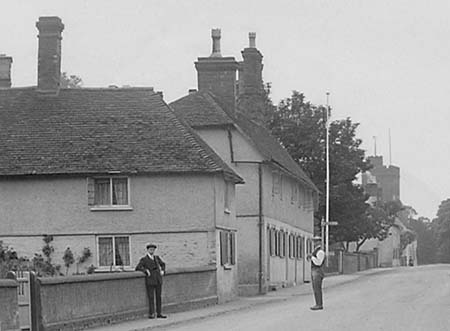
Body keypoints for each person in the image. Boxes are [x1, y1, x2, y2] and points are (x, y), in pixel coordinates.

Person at [136, 243, 167, 319]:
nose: (152, 251)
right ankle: (151, 313)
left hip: (158, 279)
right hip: (150, 280)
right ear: (147, 250)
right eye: (150, 249)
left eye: (153, 250)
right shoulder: (144, 259)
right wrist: (145, 270)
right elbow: (138, 267)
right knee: (151, 297)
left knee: (158, 297)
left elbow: (163, 264)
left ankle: (159, 313)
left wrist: (163, 270)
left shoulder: (156, 258)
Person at [307, 236, 325, 311]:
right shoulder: (316, 251)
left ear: (319, 242)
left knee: (317, 288)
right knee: (315, 287)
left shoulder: (320, 252)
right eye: (314, 241)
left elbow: (318, 262)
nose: (314, 243)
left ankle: (319, 304)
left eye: (316, 241)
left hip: (317, 270)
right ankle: (318, 303)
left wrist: (312, 257)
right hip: (315, 270)